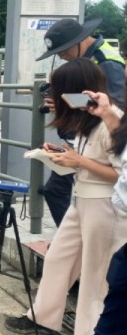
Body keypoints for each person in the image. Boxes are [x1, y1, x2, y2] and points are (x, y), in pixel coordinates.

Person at [4, 58, 127, 335]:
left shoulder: (112, 121)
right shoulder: (89, 117)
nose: (56, 99)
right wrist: (65, 156)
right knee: (59, 258)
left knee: (96, 279)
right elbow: (91, 161)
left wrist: (78, 161)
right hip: (83, 199)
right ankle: (43, 317)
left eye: (61, 92)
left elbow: (119, 174)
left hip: (105, 207)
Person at [36, 18, 126, 227]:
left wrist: (66, 106)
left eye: (64, 49)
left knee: (56, 190)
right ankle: (73, 240)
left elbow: (113, 108)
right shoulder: (92, 56)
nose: (62, 55)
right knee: (61, 191)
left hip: (102, 144)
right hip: (85, 140)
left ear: (80, 40)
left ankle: (75, 240)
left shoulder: (107, 62)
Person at [80, 91, 127, 335]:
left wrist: (79, 161)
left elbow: (121, 179)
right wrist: (108, 114)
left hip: (104, 205)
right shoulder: (100, 119)